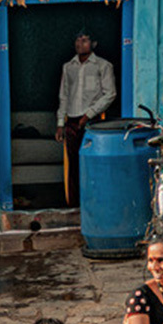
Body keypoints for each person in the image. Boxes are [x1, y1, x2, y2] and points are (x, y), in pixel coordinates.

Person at [55, 31, 117, 205]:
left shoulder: (103, 66)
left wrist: (89, 114)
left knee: (93, 164)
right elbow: (64, 96)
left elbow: (110, 94)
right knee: (74, 166)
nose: (80, 43)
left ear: (93, 44)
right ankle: (75, 205)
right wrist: (61, 123)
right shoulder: (68, 67)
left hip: (93, 123)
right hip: (72, 122)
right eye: (77, 40)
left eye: (84, 40)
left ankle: (96, 203)